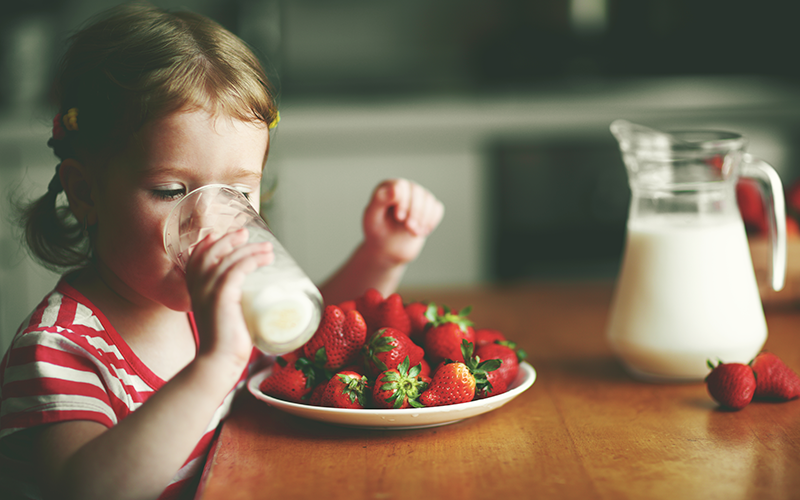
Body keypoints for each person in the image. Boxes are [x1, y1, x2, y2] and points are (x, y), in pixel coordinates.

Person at [0, 3, 444, 500]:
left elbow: (310, 338)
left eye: (237, 194)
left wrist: (383, 254)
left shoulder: (218, 306)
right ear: (86, 193)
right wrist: (213, 365)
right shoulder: (59, 350)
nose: (209, 222)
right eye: (170, 191)